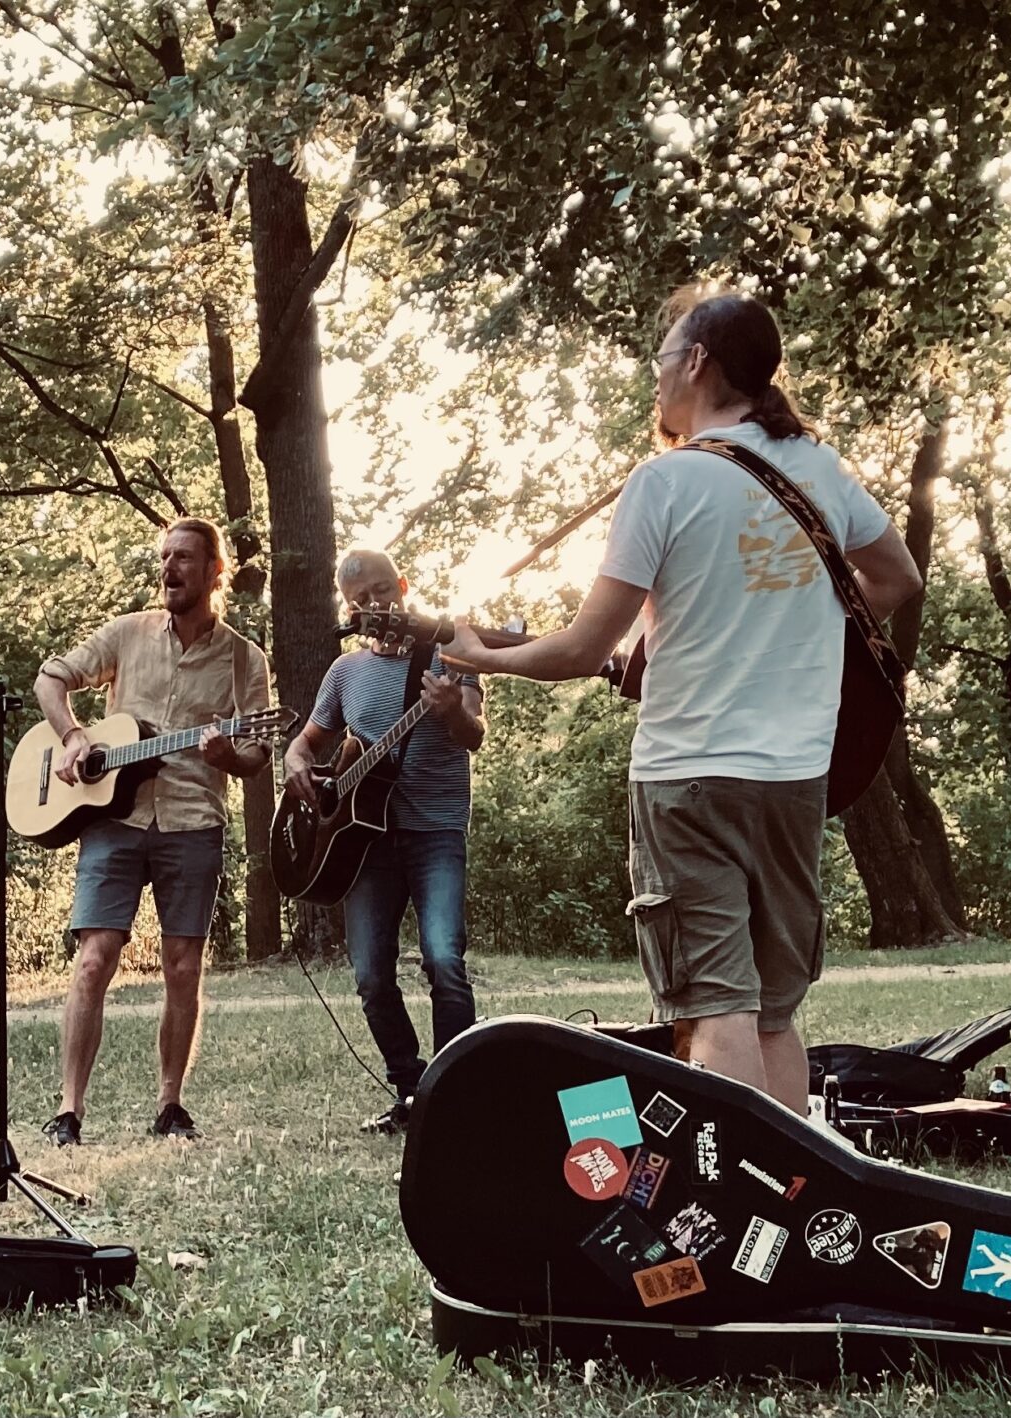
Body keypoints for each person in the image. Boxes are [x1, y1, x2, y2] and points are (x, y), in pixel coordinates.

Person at [442, 287, 922, 1111]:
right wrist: (791, 634)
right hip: (796, 777)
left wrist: (483, 654)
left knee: (715, 1008)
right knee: (774, 1012)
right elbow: (897, 578)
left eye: (664, 359)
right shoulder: (818, 468)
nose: (657, 379)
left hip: (690, 776)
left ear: (697, 362)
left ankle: (745, 1199)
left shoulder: (666, 482)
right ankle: (797, 1196)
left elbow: (583, 648)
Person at [34, 518, 272, 1144]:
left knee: (183, 965)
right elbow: (49, 678)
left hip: (193, 823)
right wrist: (75, 734)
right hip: (113, 819)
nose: (169, 568)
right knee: (93, 961)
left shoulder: (246, 660)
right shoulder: (127, 634)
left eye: (184, 558)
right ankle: (68, 1111)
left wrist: (227, 757)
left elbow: (257, 756)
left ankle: (170, 1106)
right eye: (164, 557)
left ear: (214, 570)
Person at [282, 550, 486, 1135]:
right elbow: (306, 743)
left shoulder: (452, 652)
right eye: (360, 600)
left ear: (402, 584)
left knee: (444, 960)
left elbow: (473, 733)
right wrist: (297, 767)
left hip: (436, 832)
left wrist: (450, 712)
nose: (374, 605)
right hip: (365, 844)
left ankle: (455, 1096)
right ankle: (411, 1091)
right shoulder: (344, 673)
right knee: (371, 974)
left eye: (380, 591)